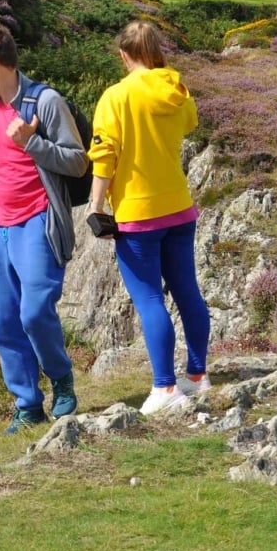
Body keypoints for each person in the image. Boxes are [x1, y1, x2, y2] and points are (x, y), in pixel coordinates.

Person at [0, 23, 86, 434]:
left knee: (34, 313)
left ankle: (61, 379)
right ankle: (28, 405)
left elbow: (77, 161)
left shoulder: (45, 102)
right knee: (3, 323)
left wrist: (32, 142)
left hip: (37, 221)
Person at [87, 20, 211, 415]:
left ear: (124, 54)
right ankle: (197, 375)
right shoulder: (177, 90)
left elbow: (104, 155)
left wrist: (96, 206)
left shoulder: (116, 96)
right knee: (188, 291)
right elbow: (190, 122)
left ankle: (164, 387)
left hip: (138, 214)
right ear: (156, 50)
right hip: (179, 206)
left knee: (150, 299)